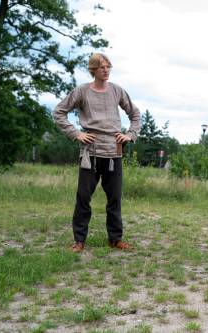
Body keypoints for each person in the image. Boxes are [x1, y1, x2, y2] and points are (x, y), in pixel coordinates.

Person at [53, 53, 141, 252]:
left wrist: (130, 135)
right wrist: (76, 133)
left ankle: (115, 239)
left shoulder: (117, 91)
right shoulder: (82, 91)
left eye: (108, 66)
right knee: (83, 197)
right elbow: (59, 112)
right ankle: (79, 241)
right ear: (93, 69)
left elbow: (135, 114)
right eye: (101, 66)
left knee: (115, 199)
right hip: (90, 153)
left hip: (113, 153)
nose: (106, 70)